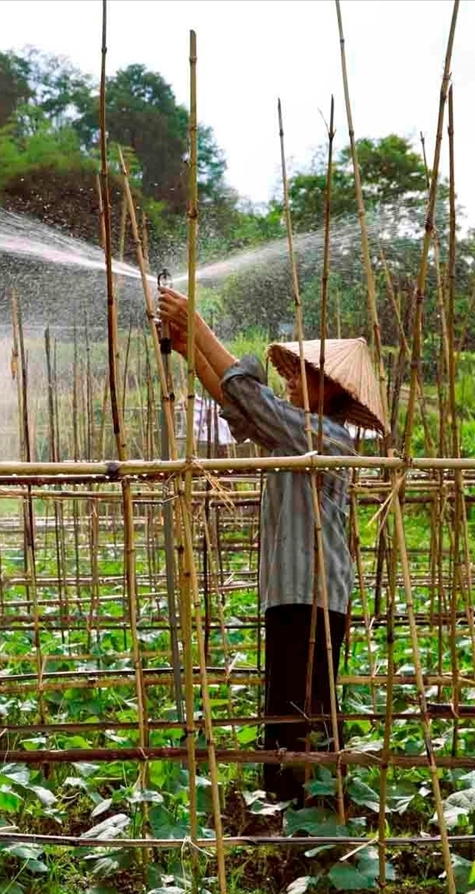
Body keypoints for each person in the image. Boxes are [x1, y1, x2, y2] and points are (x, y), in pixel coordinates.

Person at [156, 287, 357, 804]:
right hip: (291, 592)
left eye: (303, 375)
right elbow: (238, 403)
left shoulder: (327, 436)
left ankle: (308, 807)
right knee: (286, 707)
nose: (291, 381)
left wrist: (198, 328)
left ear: (331, 391)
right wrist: (187, 349)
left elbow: (254, 401)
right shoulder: (294, 432)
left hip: (314, 595)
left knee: (301, 712)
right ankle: (295, 805)